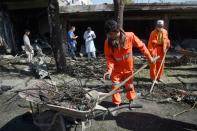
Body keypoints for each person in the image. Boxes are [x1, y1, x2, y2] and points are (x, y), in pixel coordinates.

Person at [103, 20, 155, 106]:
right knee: (115, 86)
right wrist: (109, 70)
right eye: (109, 34)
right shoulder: (108, 42)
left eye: (112, 34)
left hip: (128, 68)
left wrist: (149, 57)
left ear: (118, 30)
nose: (111, 36)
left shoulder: (130, 36)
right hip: (116, 69)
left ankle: (131, 100)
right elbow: (109, 57)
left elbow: (141, 46)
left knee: (129, 85)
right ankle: (116, 104)